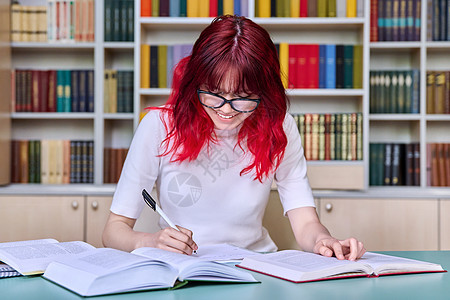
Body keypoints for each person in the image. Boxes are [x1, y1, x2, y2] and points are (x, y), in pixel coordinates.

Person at [102, 15, 366, 261]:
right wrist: (149, 241)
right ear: (194, 83)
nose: (226, 109)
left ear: (265, 92)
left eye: (242, 96)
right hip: (183, 268)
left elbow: (306, 221)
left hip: (254, 266)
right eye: (213, 93)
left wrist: (323, 241)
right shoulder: (159, 126)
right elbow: (114, 231)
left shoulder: (279, 126)